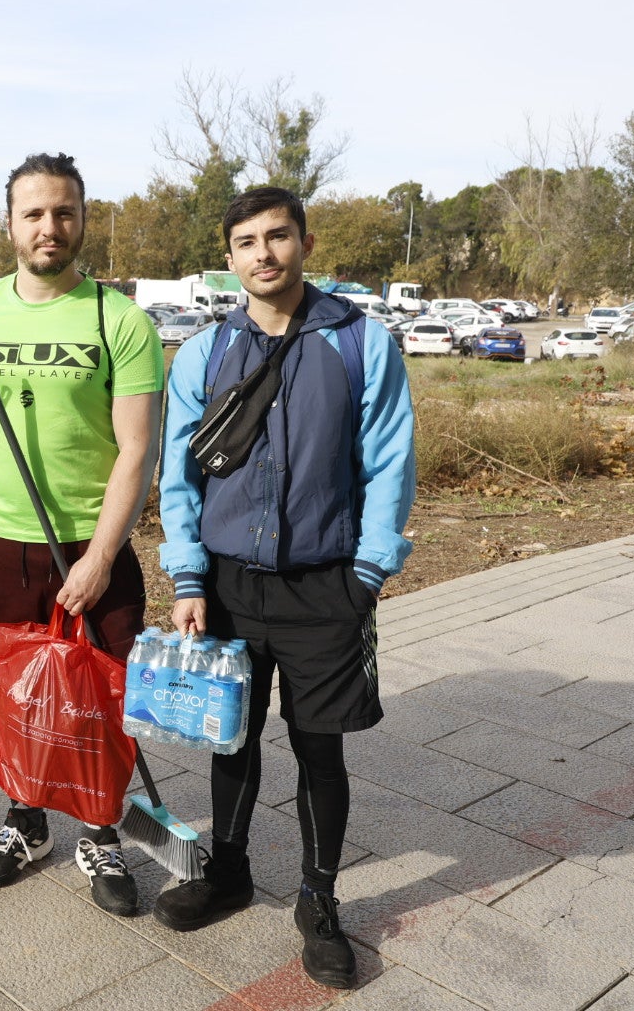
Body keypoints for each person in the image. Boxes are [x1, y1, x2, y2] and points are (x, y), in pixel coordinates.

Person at [153, 186, 416, 989]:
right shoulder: (203, 353)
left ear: (304, 241)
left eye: (278, 236)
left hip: (325, 587)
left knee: (317, 746)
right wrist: (188, 574)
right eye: (246, 242)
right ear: (229, 258)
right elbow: (180, 477)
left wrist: (368, 572)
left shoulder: (360, 342)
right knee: (230, 736)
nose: (263, 253)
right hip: (227, 585)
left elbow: (388, 462)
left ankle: (318, 900)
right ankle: (228, 870)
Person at [0, 153, 164, 917]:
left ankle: (99, 831)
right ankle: (26, 822)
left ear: (82, 220)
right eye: (33, 213)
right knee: (14, 696)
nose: (49, 227)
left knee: (100, 697)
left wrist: (101, 556)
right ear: (9, 224)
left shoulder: (118, 319)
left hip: (85, 542)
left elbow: (138, 449)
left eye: (63, 212)